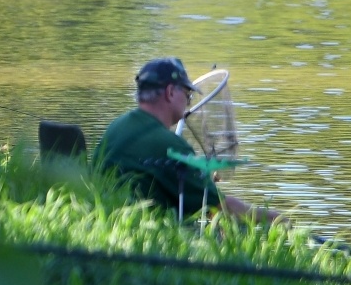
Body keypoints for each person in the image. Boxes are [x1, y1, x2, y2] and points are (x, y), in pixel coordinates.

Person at [96, 58, 283, 224]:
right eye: (188, 95)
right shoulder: (170, 145)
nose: (189, 102)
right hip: (146, 234)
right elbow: (221, 207)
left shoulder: (116, 127)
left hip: (109, 221)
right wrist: (274, 218)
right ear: (170, 92)